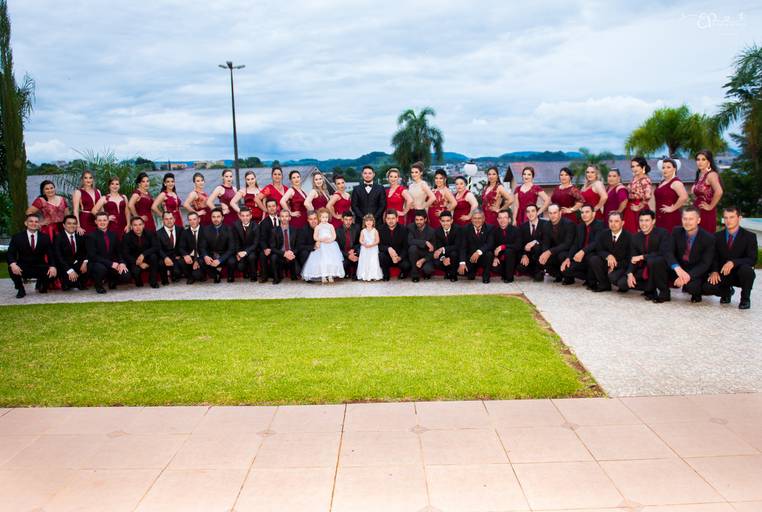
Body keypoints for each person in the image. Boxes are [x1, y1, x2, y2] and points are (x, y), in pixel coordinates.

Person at [704, 206, 757, 309]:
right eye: (726, 218)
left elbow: (752, 259)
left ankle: (745, 299)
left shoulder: (749, 236)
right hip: (723, 273)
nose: (728, 221)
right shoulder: (716, 236)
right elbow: (713, 257)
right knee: (707, 287)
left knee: (747, 271)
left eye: (732, 217)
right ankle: (727, 292)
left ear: (739, 218)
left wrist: (733, 262)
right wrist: (714, 271)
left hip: (739, 273)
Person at [664, 206, 715, 303]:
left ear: (698, 220)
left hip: (695, 270)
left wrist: (687, 276)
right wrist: (677, 268)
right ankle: (664, 293)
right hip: (679, 267)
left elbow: (705, 263)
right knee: (659, 263)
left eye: (691, 219)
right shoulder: (676, 231)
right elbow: (668, 252)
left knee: (692, 288)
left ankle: (696, 294)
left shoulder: (708, 238)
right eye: (685, 219)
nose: (687, 222)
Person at [624, 209, 671, 302]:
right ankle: (649, 290)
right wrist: (630, 273)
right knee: (623, 283)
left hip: (662, 268)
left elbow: (663, 252)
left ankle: (664, 293)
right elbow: (633, 257)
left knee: (653, 261)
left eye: (647, 220)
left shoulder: (663, 233)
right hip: (645, 268)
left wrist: (642, 257)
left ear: (653, 221)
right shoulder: (635, 237)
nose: (643, 223)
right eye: (641, 220)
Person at [7, 213, 57, 298]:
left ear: (39, 224)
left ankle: (43, 285)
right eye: (31, 221)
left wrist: (53, 266)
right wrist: (13, 264)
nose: (34, 223)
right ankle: (20, 289)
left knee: (55, 269)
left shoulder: (45, 237)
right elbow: (10, 253)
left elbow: (51, 254)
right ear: (26, 223)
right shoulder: (17, 237)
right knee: (11, 268)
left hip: (40, 266)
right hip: (23, 266)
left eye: (36, 222)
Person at [561, 205, 605, 288]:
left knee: (591, 257)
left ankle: (592, 281)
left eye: (587, 212)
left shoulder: (600, 225)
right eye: (582, 212)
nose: (584, 214)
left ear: (594, 214)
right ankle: (588, 277)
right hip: (582, 257)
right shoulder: (580, 226)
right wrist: (568, 258)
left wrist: (582, 251)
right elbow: (575, 244)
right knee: (566, 270)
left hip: (595, 255)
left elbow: (596, 242)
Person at [87, 211, 131, 293]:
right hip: (97, 263)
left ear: (108, 221)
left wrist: (122, 263)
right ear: (95, 222)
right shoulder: (91, 236)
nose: (102, 222)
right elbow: (93, 256)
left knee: (126, 275)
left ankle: (112, 280)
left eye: (104, 220)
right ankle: (98, 285)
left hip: (112, 263)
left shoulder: (113, 235)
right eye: (99, 220)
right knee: (101, 269)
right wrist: (110, 264)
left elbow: (119, 252)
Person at [588, 211, 632, 292]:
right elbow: (599, 249)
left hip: (621, 266)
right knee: (594, 259)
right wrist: (608, 255)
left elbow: (629, 259)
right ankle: (604, 284)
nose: (613, 224)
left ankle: (621, 284)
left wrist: (614, 265)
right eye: (611, 221)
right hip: (607, 262)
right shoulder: (603, 233)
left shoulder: (629, 237)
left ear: (622, 223)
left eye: (616, 221)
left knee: (614, 278)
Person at [301, 208, 345, 283]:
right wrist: (321, 239)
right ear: (320, 218)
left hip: (330, 246)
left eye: (326, 217)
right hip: (321, 246)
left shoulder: (331, 226)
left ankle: (330, 275)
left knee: (330, 261)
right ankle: (323, 276)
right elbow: (315, 237)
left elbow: (334, 236)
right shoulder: (318, 227)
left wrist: (330, 240)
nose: (325, 219)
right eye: (323, 217)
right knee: (322, 261)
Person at [537, 204, 575, 282]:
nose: (552, 215)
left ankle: (569, 277)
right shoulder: (546, 225)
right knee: (542, 255)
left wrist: (549, 252)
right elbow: (546, 243)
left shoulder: (569, 224)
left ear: (560, 213)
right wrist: (545, 253)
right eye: (550, 213)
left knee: (561, 255)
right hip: (555, 250)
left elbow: (567, 244)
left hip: (568, 251)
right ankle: (558, 275)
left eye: (555, 213)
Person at [121, 216, 160, 288]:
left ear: (143, 225)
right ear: (131, 227)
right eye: (135, 225)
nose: (138, 227)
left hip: (147, 257)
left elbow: (156, 247)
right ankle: (138, 280)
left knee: (154, 257)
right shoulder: (126, 237)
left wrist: (143, 254)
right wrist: (139, 263)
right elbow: (125, 254)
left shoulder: (150, 233)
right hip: (134, 260)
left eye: (140, 224)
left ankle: (153, 281)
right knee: (136, 273)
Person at [200, 208, 236, 283]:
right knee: (201, 260)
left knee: (232, 261)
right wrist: (206, 256)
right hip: (212, 254)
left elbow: (231, 248)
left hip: (224, 254)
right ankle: (215, 274)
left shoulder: (229, 229)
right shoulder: (205, 229)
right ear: (211, 218)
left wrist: (220, 260)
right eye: (213, 217)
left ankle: (230, 275)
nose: (216, 219)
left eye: (218, 217)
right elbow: (202, 247)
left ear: (222, 218)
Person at [53, 215, 89, 291]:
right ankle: (70, 282)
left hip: (77, 264)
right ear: (64, 225)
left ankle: (79, 281)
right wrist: (70, 270)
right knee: (67, 286)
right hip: (64, 266)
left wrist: (85, 262)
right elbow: (59, 257)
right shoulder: (58, 237)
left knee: (90, 265)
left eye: (74, 223)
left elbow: (86, 251)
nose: (72, 226)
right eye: (69, 223)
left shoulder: (80, 236)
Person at [458, 208, 494, 283]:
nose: (477, 220)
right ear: (471, 219)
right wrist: (462, 263)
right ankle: (472, 271)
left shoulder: (490, 228)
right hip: (471, 257)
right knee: (467, 275)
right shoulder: (465, 229)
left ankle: (486, 275)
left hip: (483, 256)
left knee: (489, 254)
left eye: (479, 218)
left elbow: (490, 244)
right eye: (474, 218)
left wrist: (478, 252)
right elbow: (463, 247)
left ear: (483, 219)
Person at [692, 149, 723, 233]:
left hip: (706, 212)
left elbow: (719, 192)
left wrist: (710, 206)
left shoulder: (711, 175)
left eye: (703, 159)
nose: (700, 162)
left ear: (709, 161)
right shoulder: (700, 175)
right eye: (698, 159)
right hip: (697, 211)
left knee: (705, 237)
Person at [517, 204, 550, 282]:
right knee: (520, 268)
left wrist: (535, 241)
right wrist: (524, 255)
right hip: (529, 255)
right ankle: (533, 270)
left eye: (533, 211)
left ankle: (540, 270)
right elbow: (520, 243)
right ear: (526, 214)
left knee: (536, 246)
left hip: (541, 255)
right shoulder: (522, 226)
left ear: (537, 212)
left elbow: (547, 240)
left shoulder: (545, 224)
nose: (530, 214)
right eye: (528, 212)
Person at [654, 158, 688, 233]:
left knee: (670, 237)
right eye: (663, 167)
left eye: (668, 167)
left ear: (674, 169)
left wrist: (673, 208)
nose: (665, 170)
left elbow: (684, 197)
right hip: (660, 217)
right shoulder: (663, 182)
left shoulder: (676, 182)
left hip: (670, 217)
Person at [378, 209, 410, 280]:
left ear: (397, 219)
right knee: (381, 256)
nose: (390, 221)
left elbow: (406, 247)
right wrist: (388, 249)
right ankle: (386, 274)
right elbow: (379, 245)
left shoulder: (404, 229)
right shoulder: (380, 229)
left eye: (393, 218)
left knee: (407, 265)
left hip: (399, 256)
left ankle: (403, 273)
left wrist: (400, 257)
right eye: (388, 218)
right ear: (385, 219)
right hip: (387, 257)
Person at [269, 209, 300, 283]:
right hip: (280, 255)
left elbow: (298, 246)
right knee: (273, 257)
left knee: (296, 273)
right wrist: (284, 253)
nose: (284, 218)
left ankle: (293, 274)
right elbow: (272, 248)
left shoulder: (295, 230)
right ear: (279, 218)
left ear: (290, 218)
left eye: (286, 216)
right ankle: (276, 278)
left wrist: (291, 253)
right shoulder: (274, 231)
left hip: (292, 256)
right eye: (282, 216)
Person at [623, 157, 652, 234]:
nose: (634, 168)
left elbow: (648, 196)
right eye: (633, 166)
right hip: (630, 207)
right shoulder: (634, 178)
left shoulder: (645, 179)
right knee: (629, 232)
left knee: (638, 232)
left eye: (637, 166)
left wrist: (639, 207)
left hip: (639, 208)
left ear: (643, 167)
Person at [491, 209, 521, 283]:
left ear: (509, 219)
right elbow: (491, 245)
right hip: (500, 259)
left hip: (513, 259)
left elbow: (518, 245)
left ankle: (509, 277)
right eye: (500, 218)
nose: (502, 220)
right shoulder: (494, 231)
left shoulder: (516, 230)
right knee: (494, 267)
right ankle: (504, 272)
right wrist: (494, 257)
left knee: (509, 251)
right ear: (497, 219)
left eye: (505, 217)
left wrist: (503, 246)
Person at [406, 209, 436, 282]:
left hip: (426, 256)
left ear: (425, 219)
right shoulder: (410, 227)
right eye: (416, 219)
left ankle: (425, 272)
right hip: (414, 255)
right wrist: (425, 242)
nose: (418, 222)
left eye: (421, 219)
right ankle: (415, 274)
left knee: (428, 269)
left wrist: (423, 260)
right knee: (412, 248)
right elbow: (410, 241)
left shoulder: (431, 231)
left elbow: (433, 250)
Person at [433, 210, 462, 282]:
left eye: (448, 221)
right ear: (440, 221)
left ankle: (453, 275)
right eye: (443, 221)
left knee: (453, 254)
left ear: (452, 221)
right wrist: (443, 258)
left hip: (455, 254)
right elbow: (438, 247)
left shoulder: (458, 229)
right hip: (444, 254)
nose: (445, 223)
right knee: (436, 261)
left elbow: (457, 246)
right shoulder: (437, 231)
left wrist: (443, 249)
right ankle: (448, 271)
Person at [232, 206, 260, 282]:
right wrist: (238, 252)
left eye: (247, 215)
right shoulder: (236, 225)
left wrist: (245, 252)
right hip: (241, 250)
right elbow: (236, 241)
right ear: (239, 216)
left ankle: (253, 275)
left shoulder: (255, 226)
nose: (245, 218)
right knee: (240, 267)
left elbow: (255, 244)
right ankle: (245, 271)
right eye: (243, 216)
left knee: (251, 257)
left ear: (251, 216)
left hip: (252, 250)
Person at [156, 211, 184, 285]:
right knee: (160, 263)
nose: (169, 221)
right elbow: (158, 249)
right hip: (165, 256)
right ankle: (164, 279)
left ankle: (176, 274)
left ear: (174, 219)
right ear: (163, 220)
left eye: (171, 218)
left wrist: (180, 255)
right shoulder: (158, 233)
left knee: (177, 272)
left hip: (176, 256)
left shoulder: (180, 229)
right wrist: (165, 258)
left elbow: (182, 245)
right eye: (166, 219)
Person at [257, 198, 281, 283]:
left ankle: (277, 275)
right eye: (269, 206)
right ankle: (265, 275)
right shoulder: (264, 223)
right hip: (269, 247)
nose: (271, 208)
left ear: (277, 207)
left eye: (273, 206)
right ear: (266, 208)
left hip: (280, 247)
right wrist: (265, 248)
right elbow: (262, 238)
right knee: (262, 254)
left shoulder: (282, 219)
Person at [179, 211, 205, 284]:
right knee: (181, 261)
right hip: (190, 256)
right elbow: (181, 247)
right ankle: (190, 276)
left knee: (198, 275)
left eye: (194, 219)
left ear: (199, 219)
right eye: (190, 220)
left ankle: (202, 275)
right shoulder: (185, 232)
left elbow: (207, 247)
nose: (192, 222)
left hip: (201, 256)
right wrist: (185, 255)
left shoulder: (205, 230)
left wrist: (197, 260)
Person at [72, 170, 101, 235]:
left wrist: (106, 217)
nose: (88, 180)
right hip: (85, 220)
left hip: (98, 220)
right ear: (82, 179)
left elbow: (101, 208)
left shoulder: (98, 191)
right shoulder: (78, 192)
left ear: (93, 179)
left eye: (90, 178)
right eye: (86, 178)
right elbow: (75, 210)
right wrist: (78, 226)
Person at [357, 214, 383, 281]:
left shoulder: (375, 230)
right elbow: (360, 240)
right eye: (367, 221)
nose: (369, 222)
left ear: (373, 222)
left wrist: (372, 245)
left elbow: (377, 240)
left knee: (373, 261)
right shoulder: (363, 231)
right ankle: (364, 275)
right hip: (365, 248)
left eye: (370, 221)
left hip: (373, 248)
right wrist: (364, 244)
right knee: (365, 261)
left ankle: (374, 275)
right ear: (364, 222)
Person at [336, 210, 361, 280]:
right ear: (342, 219)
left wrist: (353, 249)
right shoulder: (337, 230)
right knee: (344, 264)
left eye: (350, 220)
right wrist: (347, 255)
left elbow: (359, 242)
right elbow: (337, 248)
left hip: (354, 251)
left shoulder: (357, 227)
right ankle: (347, 271)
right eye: (346, 219)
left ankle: (355, 274)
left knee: (359, 253)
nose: (348, 222)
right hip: (344, 254)